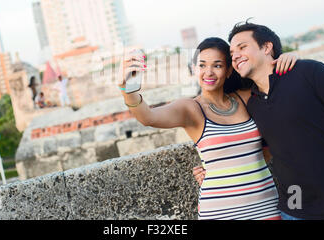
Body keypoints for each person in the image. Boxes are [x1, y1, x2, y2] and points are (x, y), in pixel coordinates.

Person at [194, 21, 324, 220]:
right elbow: (259, 152)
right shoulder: (251, 103)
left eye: (242, 47)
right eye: (232, 52)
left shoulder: (309, 72)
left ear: (267, 47)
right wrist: (215, 171)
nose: (235, 55)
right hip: (293, 211)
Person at [118, 39, 298, 220]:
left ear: (228, 71)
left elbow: (281, 87)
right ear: (194, 69)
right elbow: (148, 117)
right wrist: (127, 89)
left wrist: (290, 59)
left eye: (217, 65)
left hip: (265, 206)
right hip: (219, 211)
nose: (208, 72)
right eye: (202, 65)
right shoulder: (190, 108)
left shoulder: (247, 98)